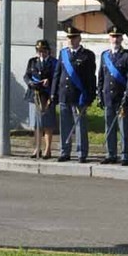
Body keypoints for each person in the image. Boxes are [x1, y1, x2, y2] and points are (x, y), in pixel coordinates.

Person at [53, 28, 96, 163]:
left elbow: (90, 77)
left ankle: (81, 153)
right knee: (64, 125)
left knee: (80, 126)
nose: (71, 40)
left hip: (79, 96)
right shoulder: (63, 53)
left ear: (79, 39)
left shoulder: (87, 55)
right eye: (69, 38)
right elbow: (57, 74)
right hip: (64, 95)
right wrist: (53, 93)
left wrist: (90, 96)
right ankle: (64, 151)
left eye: (74, 38)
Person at [98, 27, 128, 165]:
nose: (115, 39)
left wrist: (127, 96)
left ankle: (126, 155)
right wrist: (100, 94)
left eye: (117, 36)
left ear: (121, 39)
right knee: (109, 127)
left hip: (121, 98)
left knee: (124, 128)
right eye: (113, 36)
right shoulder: (104, 55)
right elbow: (101, 76)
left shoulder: (127, 55)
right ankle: (110, 154)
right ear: (109, 38)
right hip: (108, 96)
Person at [23, 39, 58, 159]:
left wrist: (49, 82)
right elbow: (26, 76)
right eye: (39, 51)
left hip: (47, 96)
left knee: (47, 124)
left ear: (48, 51)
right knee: (36, 124)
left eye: (43, 50)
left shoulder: (54, 62)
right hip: (34, 95)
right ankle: (37, 147)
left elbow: (57, 78)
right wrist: (30, 83)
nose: (41, 53)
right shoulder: (32, 62)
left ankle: (47, 149)